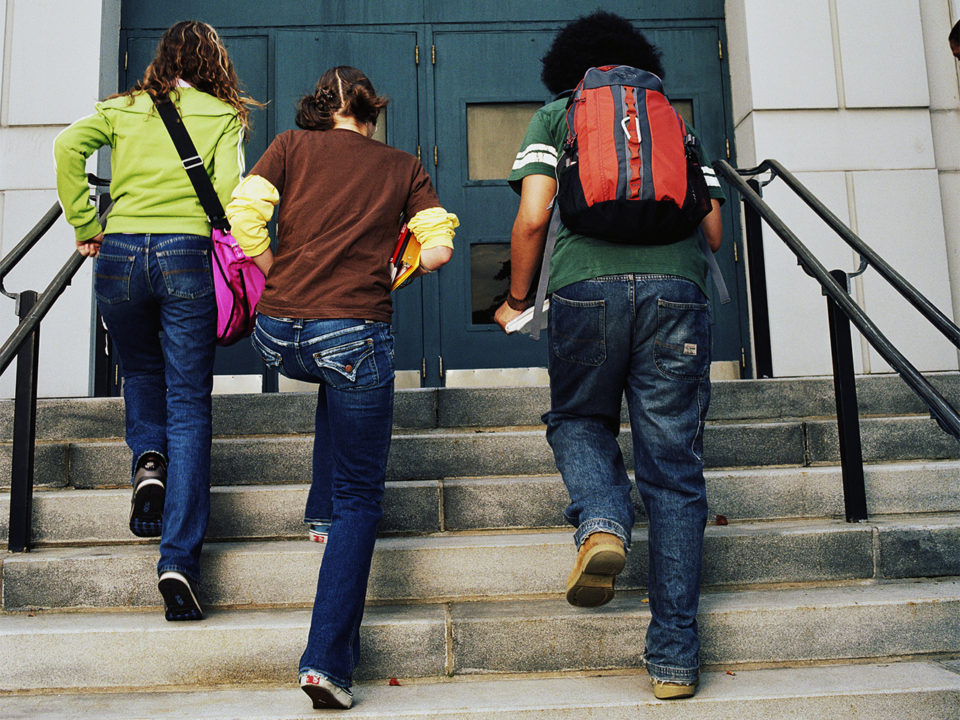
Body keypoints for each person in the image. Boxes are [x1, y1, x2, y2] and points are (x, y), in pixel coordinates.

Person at [494, 11, 725, 700]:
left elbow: (534, 215)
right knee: (675, 474)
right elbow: (711, 230)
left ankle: (600, 521)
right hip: (678, 295)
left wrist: (512, 298)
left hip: (584, 290)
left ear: (568, 66)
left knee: (579, 420)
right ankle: (675, 661)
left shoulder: (557, 116)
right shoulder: (673, 121)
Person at [225, 66, 456, 710]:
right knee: (364, 495)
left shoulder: (290, 147)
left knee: (336, 379)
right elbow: (437, 251)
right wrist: (392, 270)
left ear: (318, 111)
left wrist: (277, 274)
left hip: (277, 335)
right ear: (370, 114)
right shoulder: (402, 165)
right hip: (351, 332)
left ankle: (319, 515)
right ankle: (326, 663)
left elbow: (243, 217)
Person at [54, 20, 258, 621]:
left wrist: (86, 223)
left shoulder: (122, 108)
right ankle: (177, 561)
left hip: (118, 254)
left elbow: (67, 147)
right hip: (185, 254)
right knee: (190, 404)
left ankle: (148, 460)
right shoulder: (222, 118)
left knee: (140, 373)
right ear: (212, 63)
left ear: (162, 60)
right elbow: (230, 194)